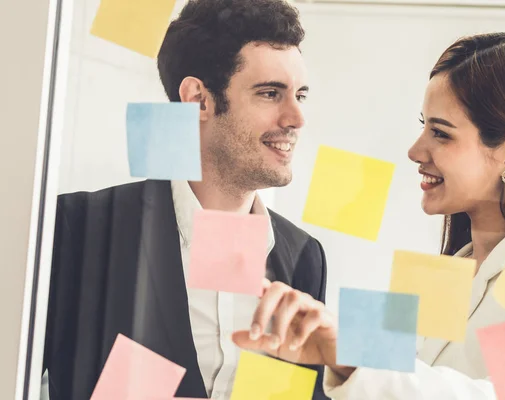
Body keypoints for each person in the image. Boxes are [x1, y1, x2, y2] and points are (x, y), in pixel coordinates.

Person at [233, 32, 505, 399]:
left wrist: (353, 360)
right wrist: (332, 357)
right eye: (423, 126)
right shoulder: (443, 273)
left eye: (441, 133)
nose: (415, 150)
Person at [43, 0, 329, 399]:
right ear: (197, 98)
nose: (296, 117)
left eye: (300, 94)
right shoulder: (80, 227)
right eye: (270, 93)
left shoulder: (303, 255)